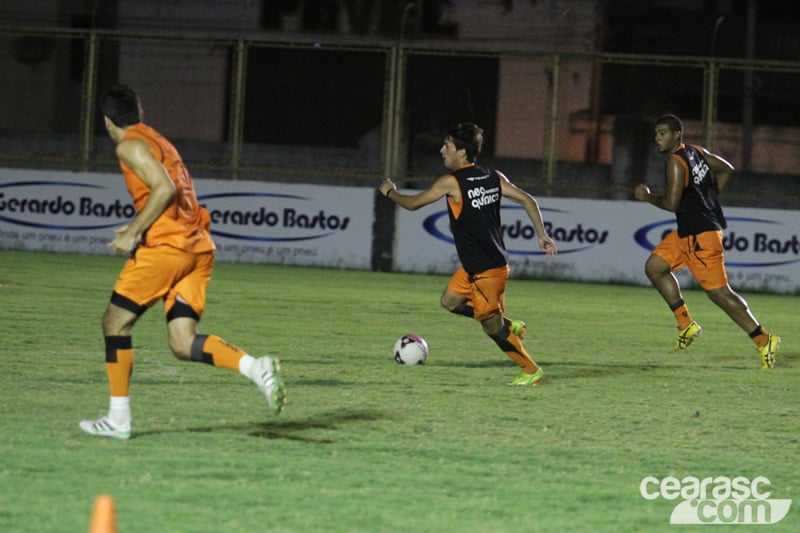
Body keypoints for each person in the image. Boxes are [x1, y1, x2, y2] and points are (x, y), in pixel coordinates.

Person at [80, 85, 285, 440]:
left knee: (115, 323)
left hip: (168, 249)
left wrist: (133, 231)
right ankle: (256, 368)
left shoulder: (128, 144)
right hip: (198, 249)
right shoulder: (157, 139)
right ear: (139, 114)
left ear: (107, 121)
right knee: (181, 342)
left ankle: (118, 419)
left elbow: (164, 189)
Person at [379, 122, 557, 385]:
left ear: (461, 152)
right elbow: (528, 200)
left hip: (488, 271)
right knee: (450, 301)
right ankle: (510, 324)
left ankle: (531, 371)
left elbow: (414, 204)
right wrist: (541, 235)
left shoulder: (451, 183)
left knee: (491, 328)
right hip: (475, 267)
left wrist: (390, 193)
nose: (442, 150)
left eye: (447, 146)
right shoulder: (492, 177)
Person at [634, 113, 780, 368]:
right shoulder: (696, 151)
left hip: (700, 236)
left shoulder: (676, 161)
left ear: (676, 135)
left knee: (720, 294)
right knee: (655, 267)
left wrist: (647, 197)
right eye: (656, 134)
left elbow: (671, 203)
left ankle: (763, 338)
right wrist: (709, 199)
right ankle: (685, 323)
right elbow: (726, 169)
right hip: (686, 234)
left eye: (662, 133)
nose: (657, 138)